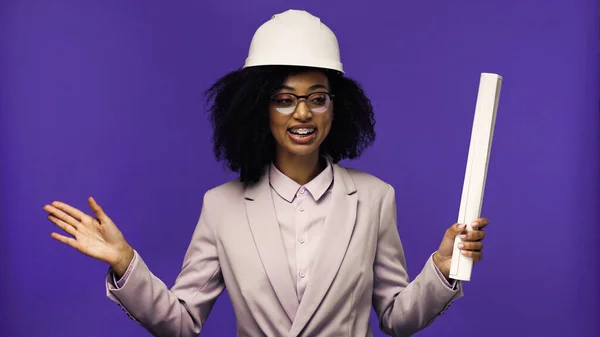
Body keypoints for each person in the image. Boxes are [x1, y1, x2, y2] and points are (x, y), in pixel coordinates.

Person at [43, 9, 489, 337]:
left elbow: (397, 318)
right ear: (260, 108)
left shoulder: (374, 198)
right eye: (284, 98)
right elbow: (180, 322)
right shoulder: (220, 207)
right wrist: (125, 264)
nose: (303, 113)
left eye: (317, 97)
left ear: (337, 109)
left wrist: (442, 269)